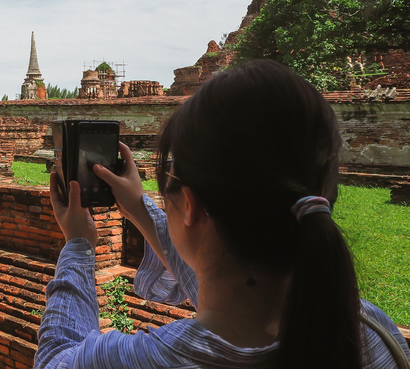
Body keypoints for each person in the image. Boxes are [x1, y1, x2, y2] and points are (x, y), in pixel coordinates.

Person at [35, 60, 410, 369]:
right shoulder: (372, 331)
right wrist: (139, 209)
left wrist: (79, 246)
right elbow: (221, 282)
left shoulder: (143, 362)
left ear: (192, 205)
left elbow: (55, 358)